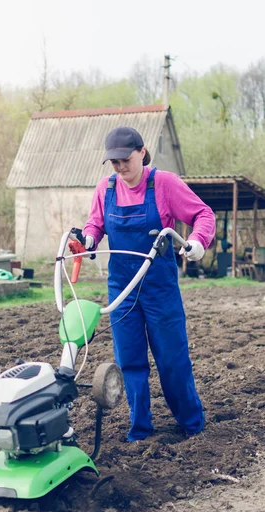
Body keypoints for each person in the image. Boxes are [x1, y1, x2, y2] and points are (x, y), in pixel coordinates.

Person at [82, 126, 216, 442]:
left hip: (159, 288)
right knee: (130, 360)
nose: (119, 167)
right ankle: (140, 427)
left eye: (125, 160)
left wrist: (198, 240)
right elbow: (95, 223)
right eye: (113, 162)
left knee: (172, 358)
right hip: (122, 288)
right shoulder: (106, 188)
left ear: (142, 152)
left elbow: (203, 214)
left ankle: (191, 423)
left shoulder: (164, 184)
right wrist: (88, 238)